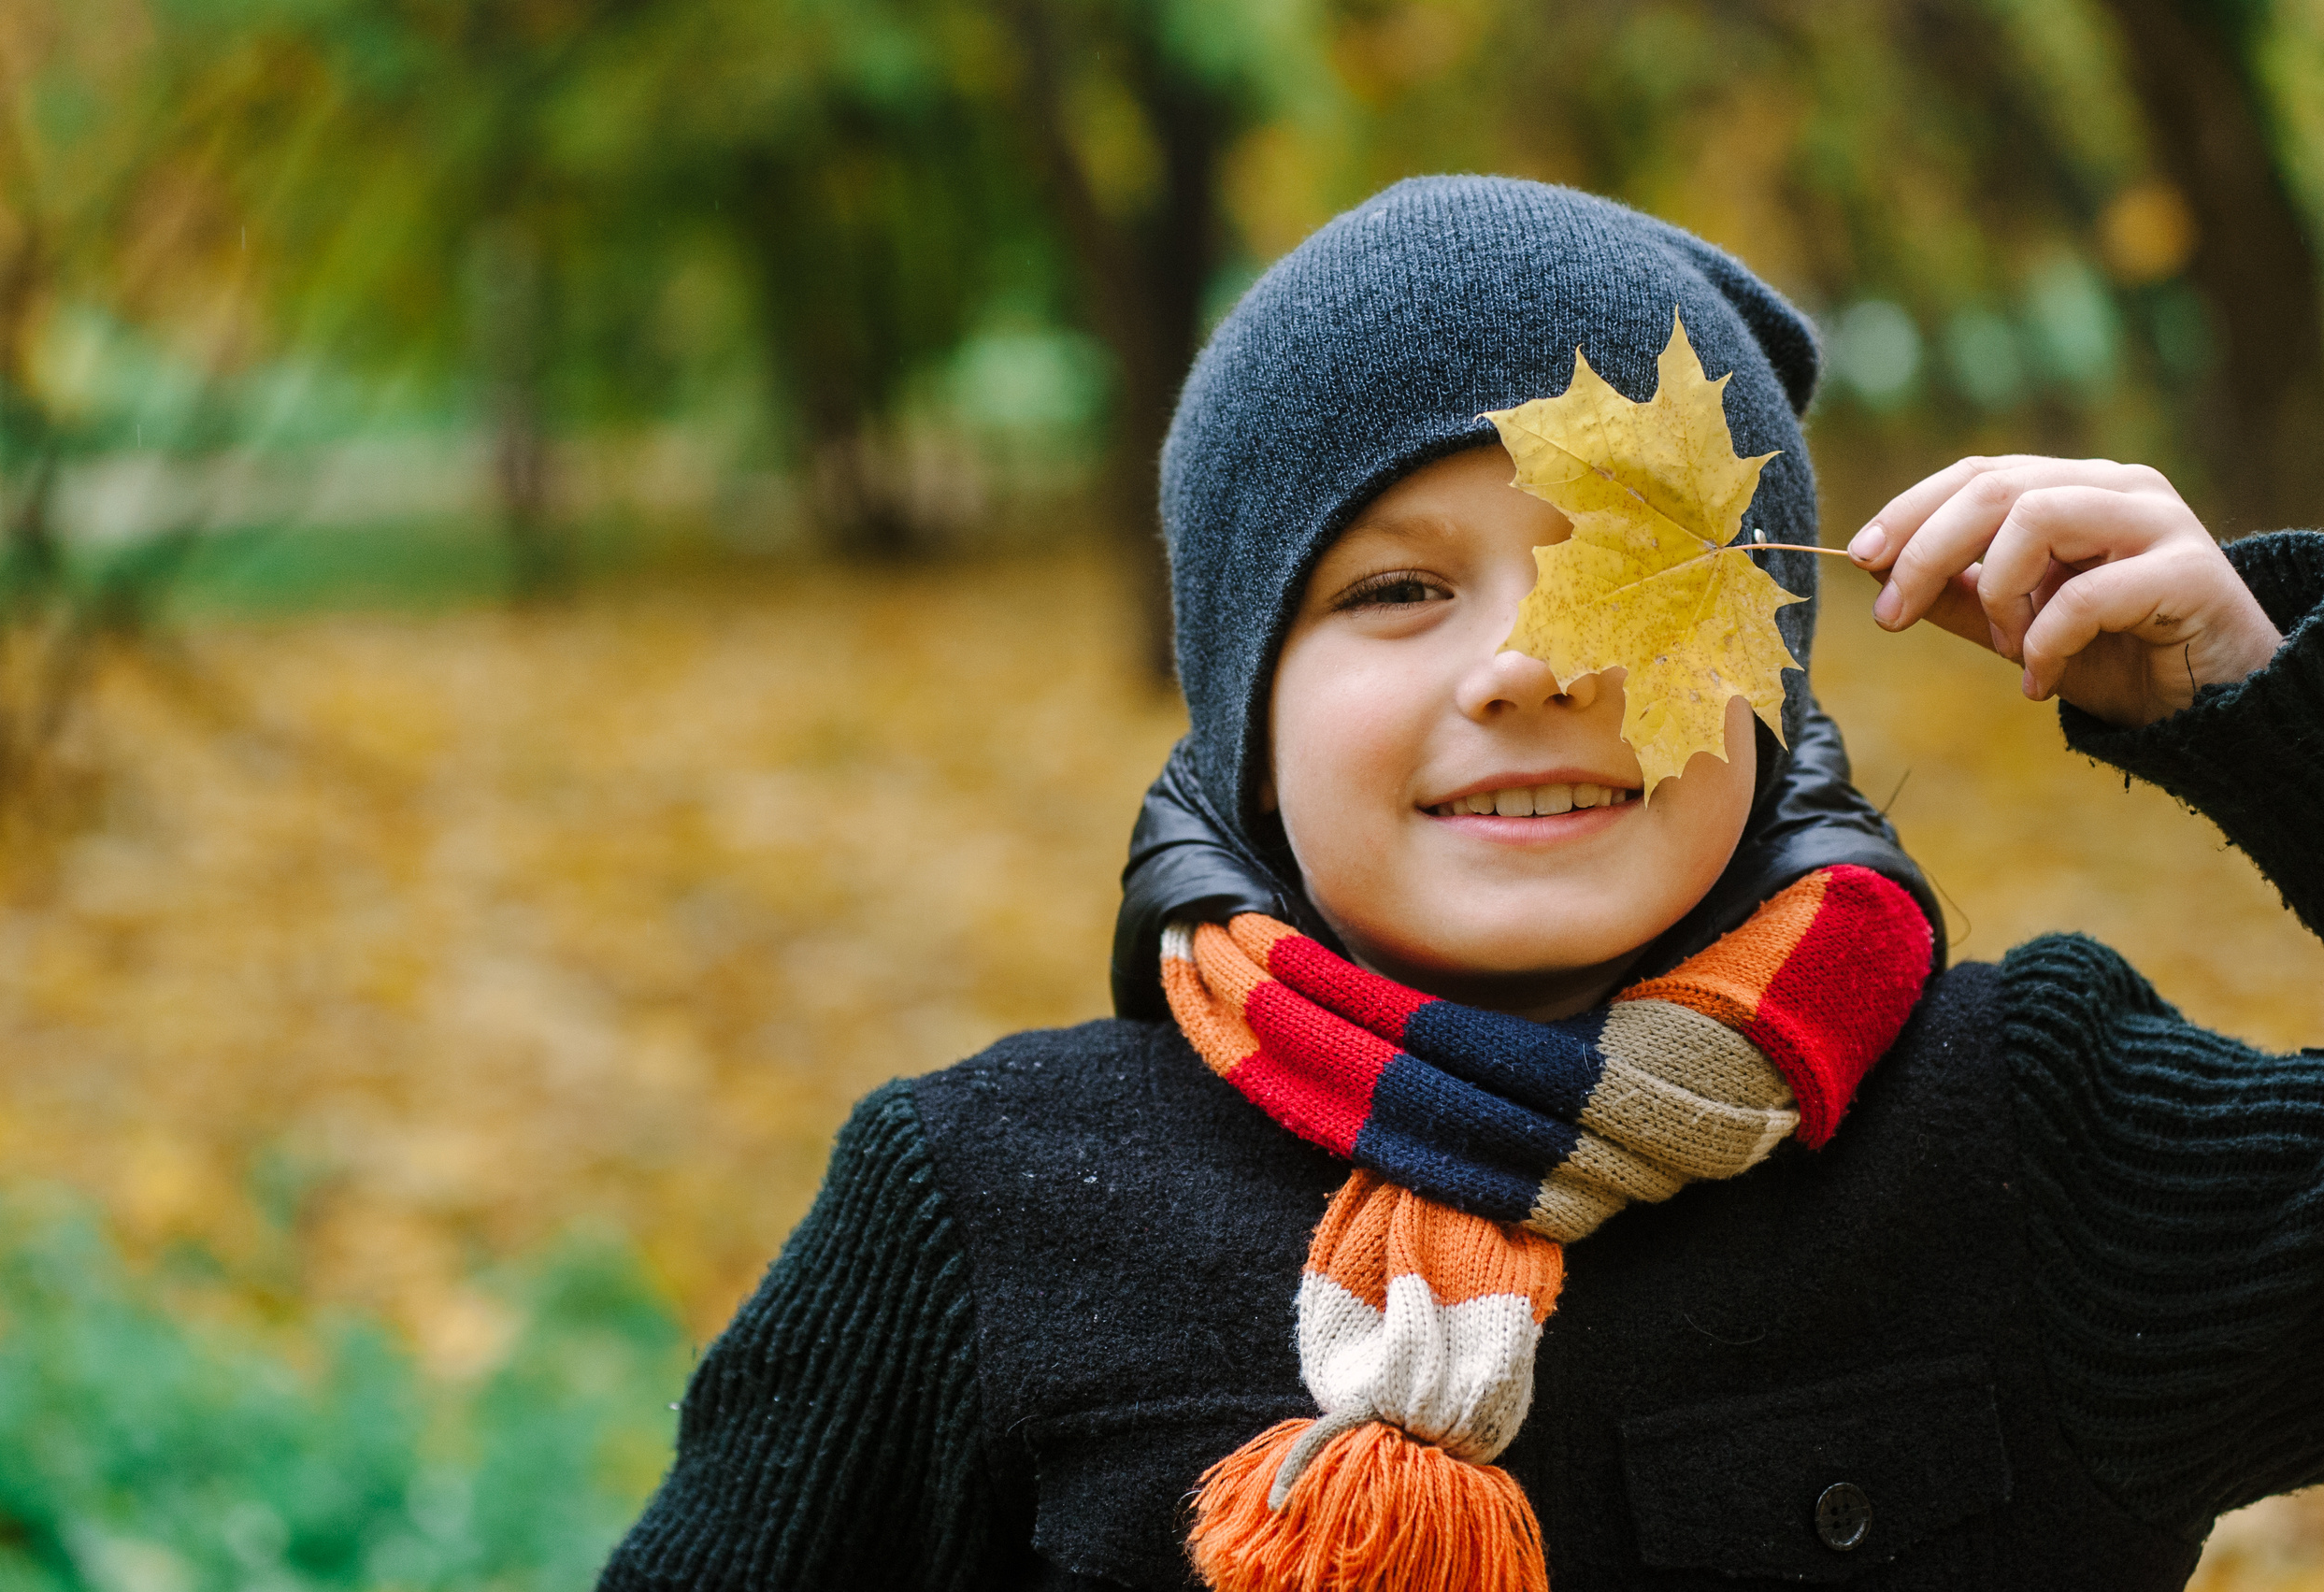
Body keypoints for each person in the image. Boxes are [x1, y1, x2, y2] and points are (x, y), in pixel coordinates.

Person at [598, 177, 2324, 1591]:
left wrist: (2268, 712)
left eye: (1629, 573)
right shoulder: (983, 1206)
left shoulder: (2032, 1140)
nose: (1528, 664)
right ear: (1245, 715)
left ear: (1775, 669)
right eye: (1396, 592)